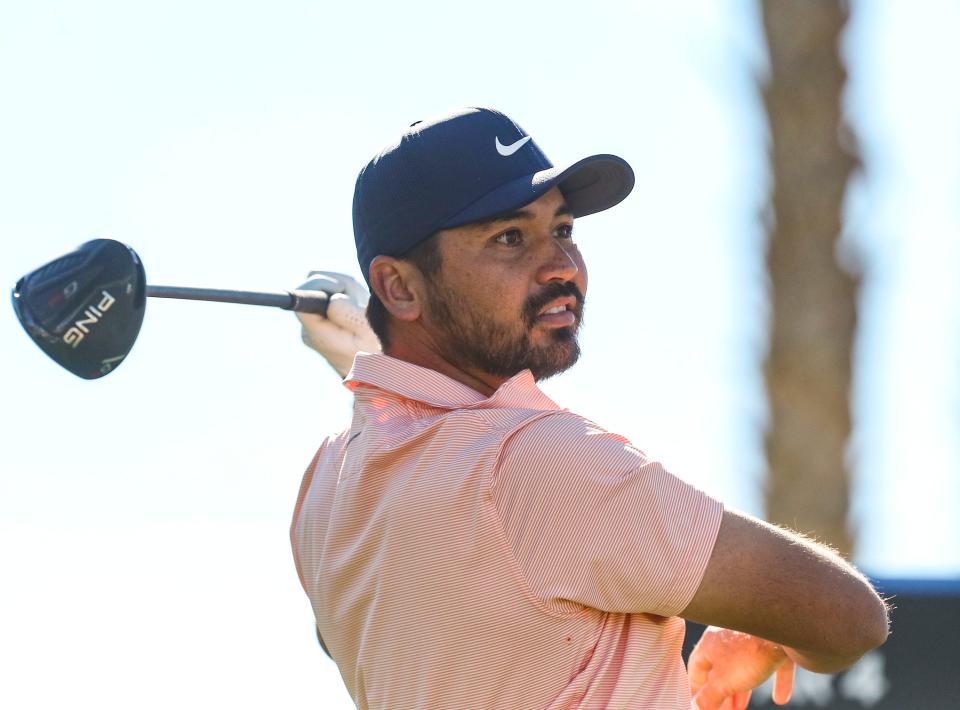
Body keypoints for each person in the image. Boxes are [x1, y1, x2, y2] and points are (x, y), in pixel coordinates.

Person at [290, 107, 889, 710]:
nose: (561, 267)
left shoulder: (326, 486)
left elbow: (387, 605)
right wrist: (772, 631)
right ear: (397, 287)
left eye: (565, 230)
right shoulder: (537, 460)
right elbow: (849, 618)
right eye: (509, 238)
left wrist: (374, 356)